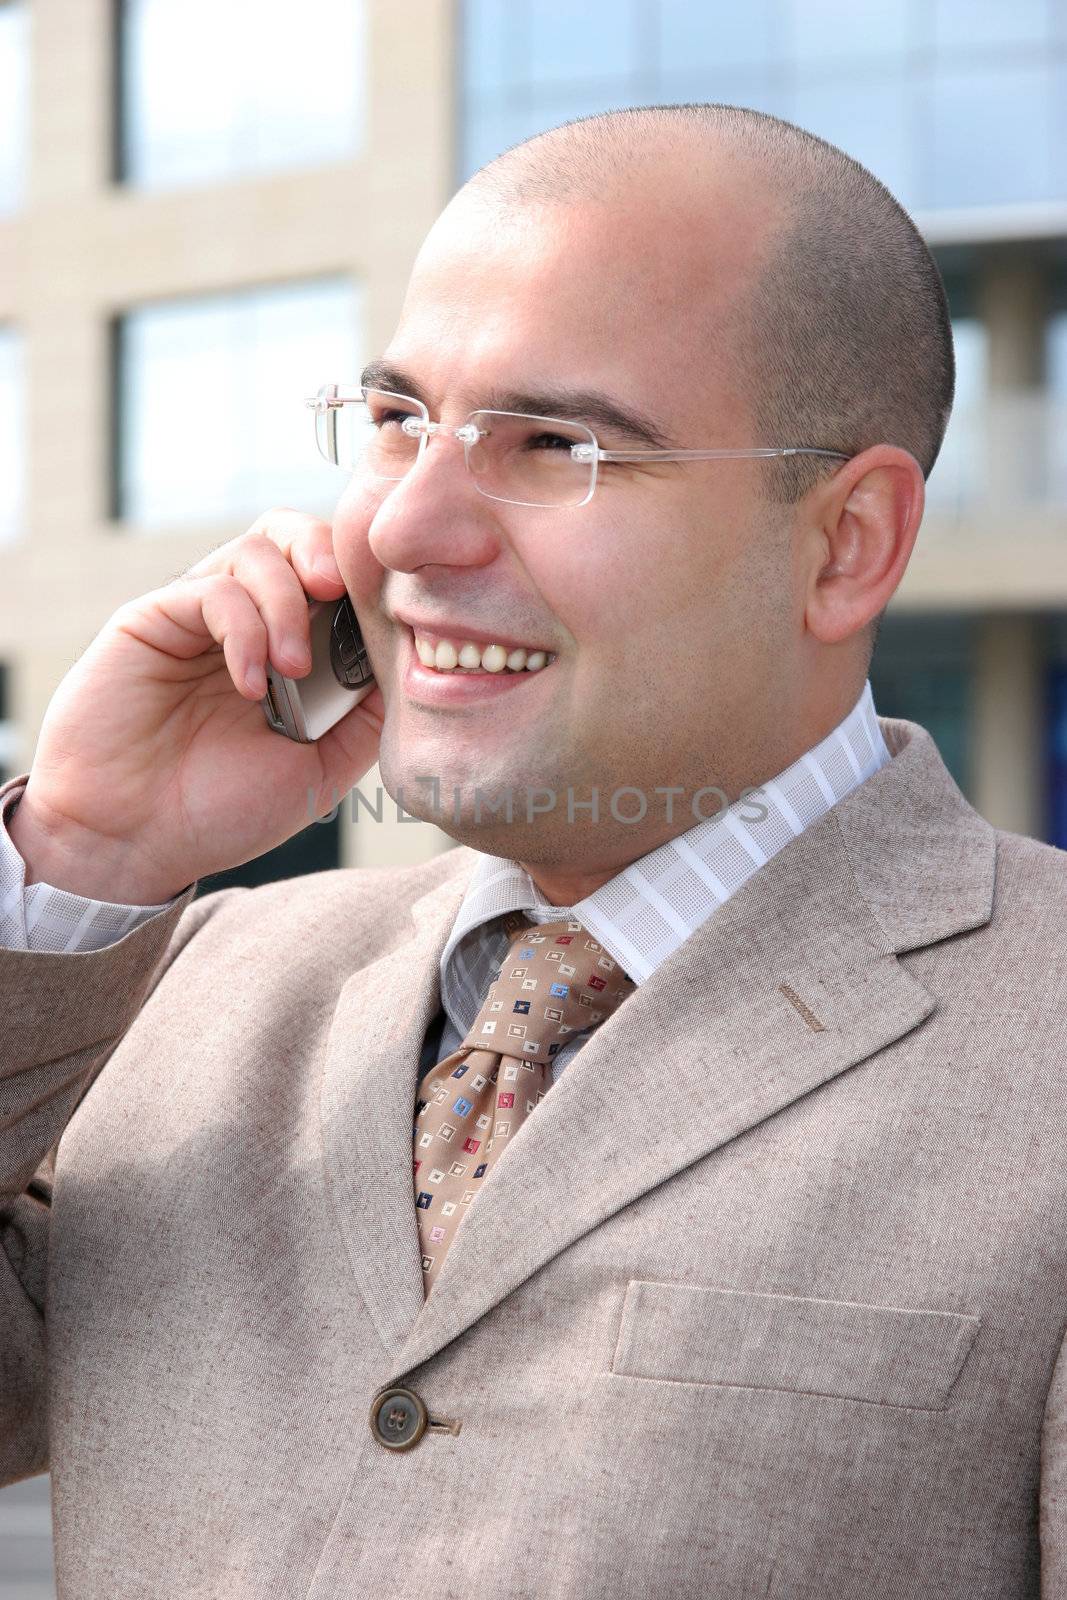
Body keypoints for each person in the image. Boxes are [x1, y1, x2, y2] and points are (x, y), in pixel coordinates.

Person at [1, 101, 1065, 1599]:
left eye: (558, 444)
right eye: (395, 423)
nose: (410, 529)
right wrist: (81, 847)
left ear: (847, 544)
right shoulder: (171, 991)